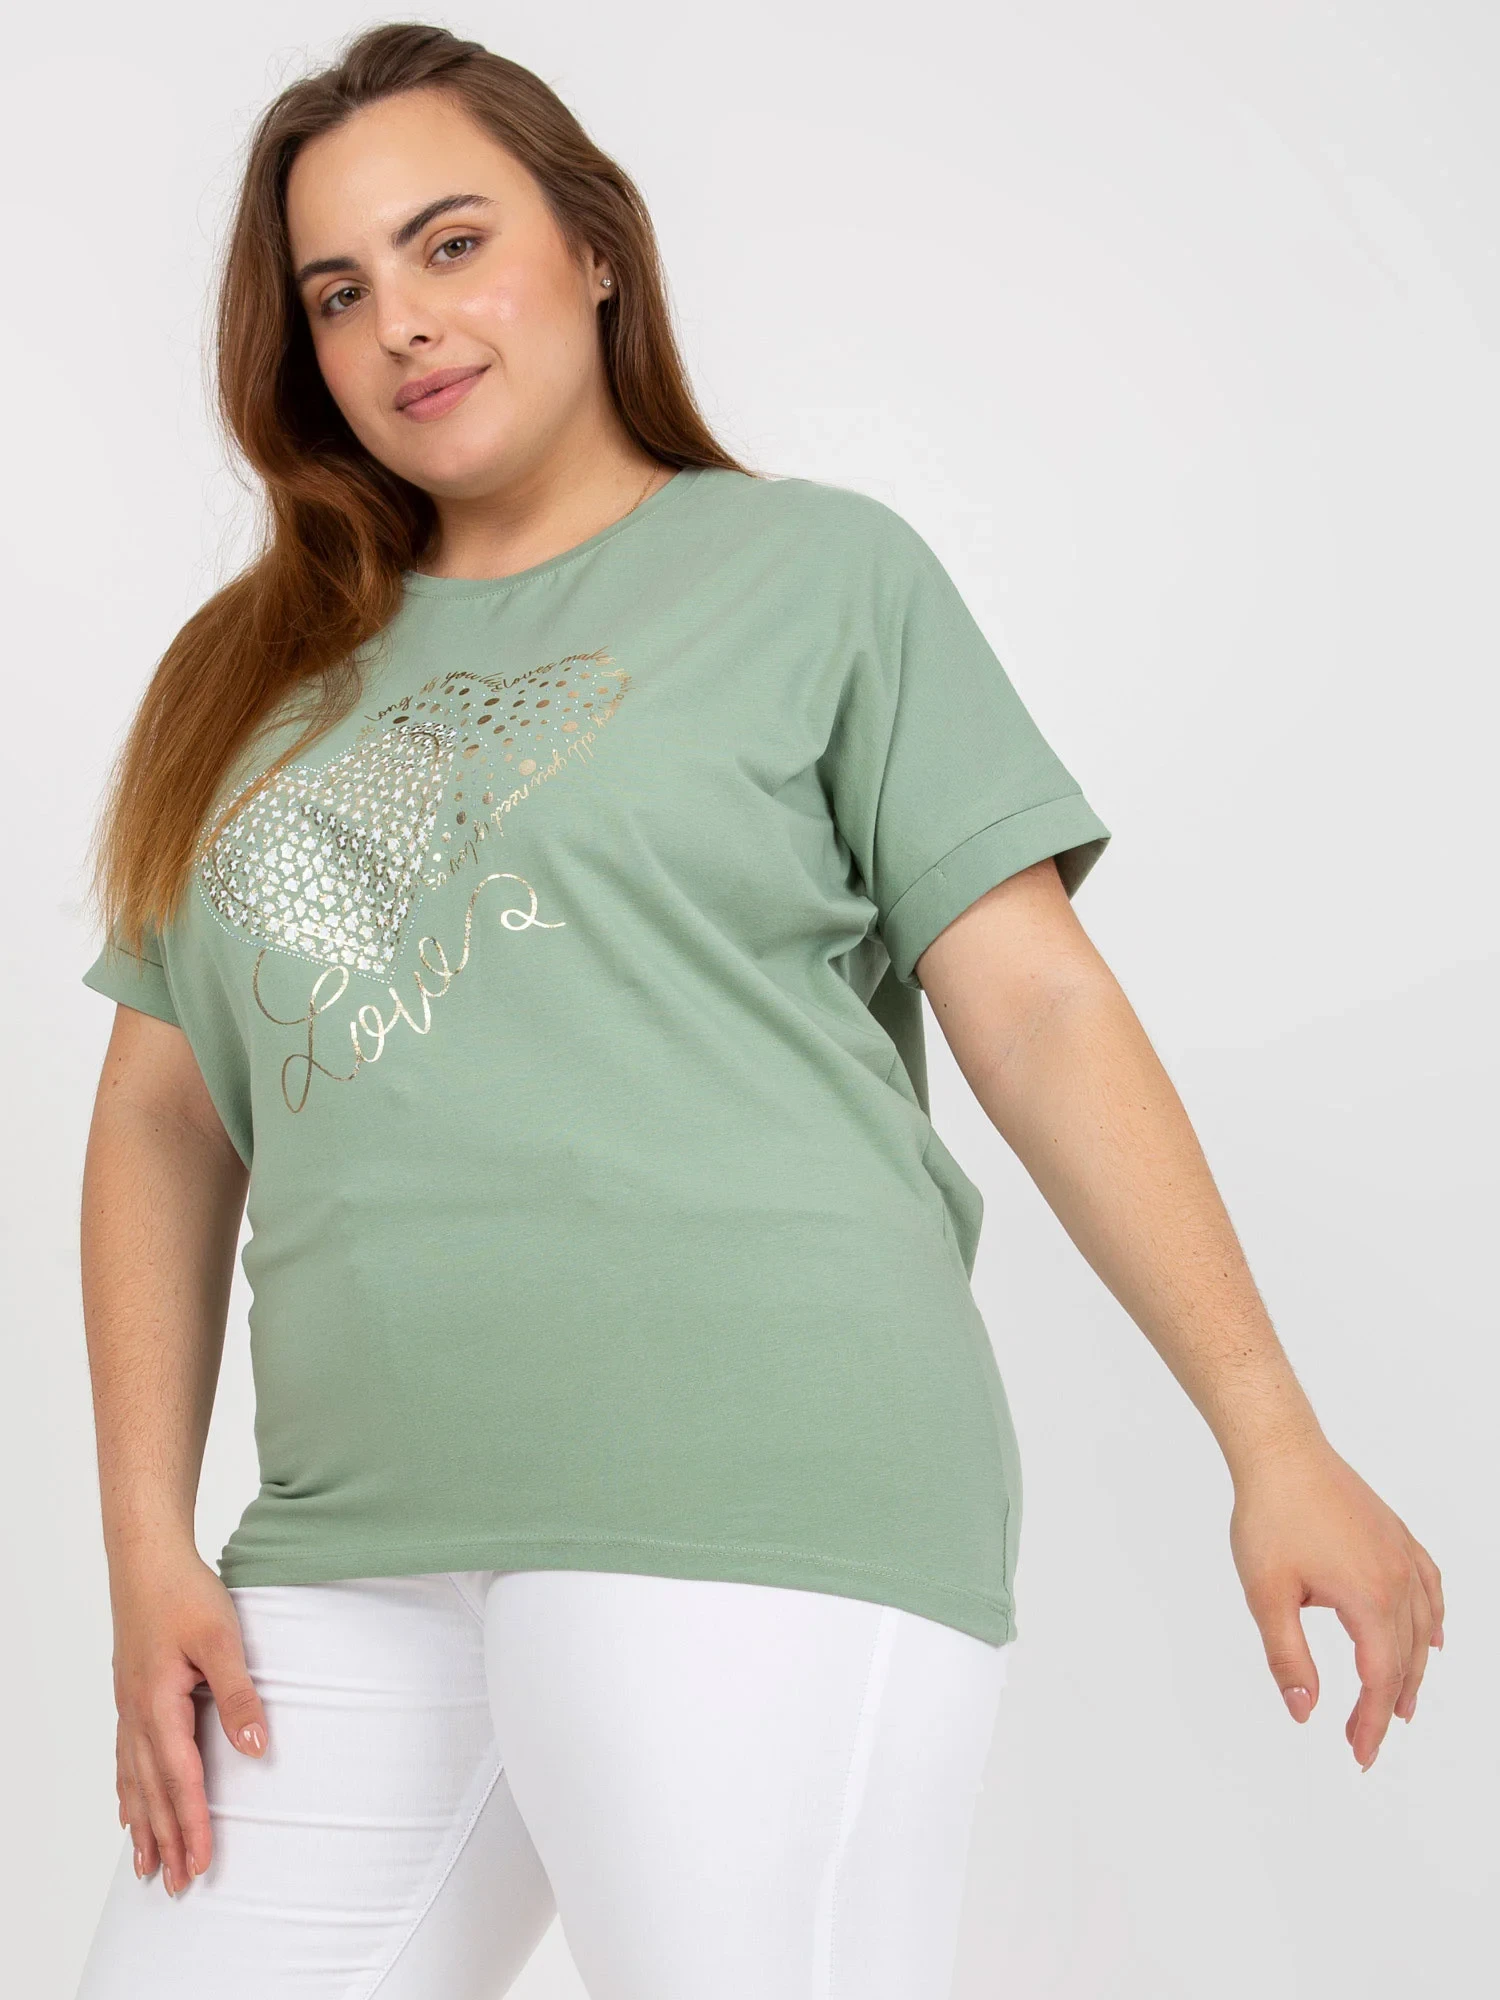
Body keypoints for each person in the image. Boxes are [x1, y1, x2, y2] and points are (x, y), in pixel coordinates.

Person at [71, 20, 1444, 2000]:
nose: (403, 324)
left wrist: (1273, 1436)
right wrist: (145, 1543)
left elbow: (1039, 1010)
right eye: (339, 291)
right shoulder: (251, 670)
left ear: (593, 247)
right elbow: (161, 1113)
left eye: (452, 244)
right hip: (348, 1540)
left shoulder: (818, 577)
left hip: (752, 1494)